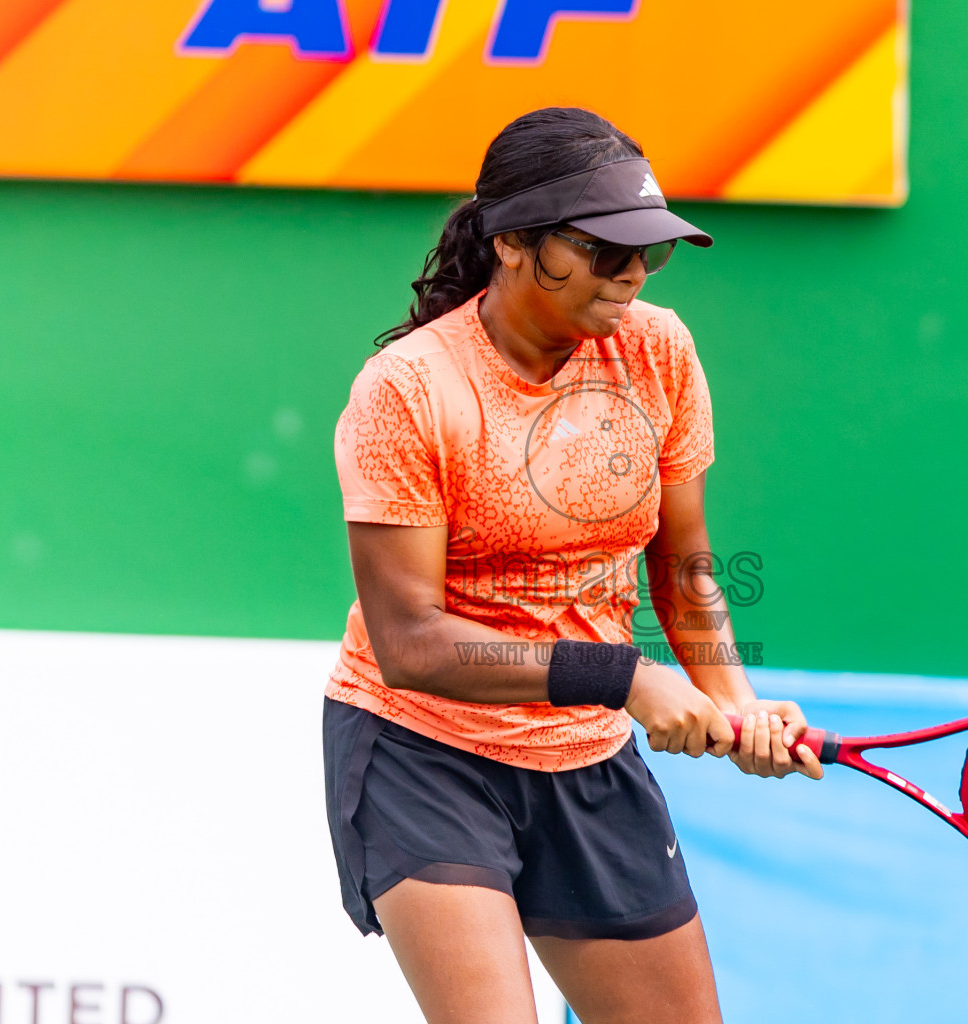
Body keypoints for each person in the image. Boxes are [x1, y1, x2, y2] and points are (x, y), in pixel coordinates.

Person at [323, 106, 823, 1024]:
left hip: (585, 757)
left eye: (652, 253)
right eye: (605, 250)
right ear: (513, 242)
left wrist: (734, 703)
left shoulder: (658, 349)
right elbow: (410, 643)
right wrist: (622, 675)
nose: (632, 274)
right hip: (422, 752)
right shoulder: (408, 390)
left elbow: (683, 563)